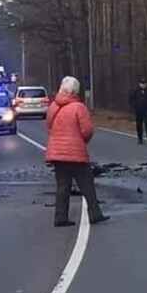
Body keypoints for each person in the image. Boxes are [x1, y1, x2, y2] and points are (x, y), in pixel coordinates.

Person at [45, 76, 109, 227]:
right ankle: (95, 214)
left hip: (56, 153)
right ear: (75, 90)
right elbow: (86, 130)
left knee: (62, 186)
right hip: (75, 153)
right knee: (87, 184)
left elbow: (48, 126)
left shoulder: (54, 106)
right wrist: (82, 141)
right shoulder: (79, 107)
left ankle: (60, 218)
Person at [129, 77, 147, 144]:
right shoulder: (136, 91)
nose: (143, 85)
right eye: (142, 84)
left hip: (146, 110)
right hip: (138, 110)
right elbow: (131, 100)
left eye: (144, 84)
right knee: (139, 125)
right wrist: (134, 107)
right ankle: (140, 138)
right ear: (139, 84)